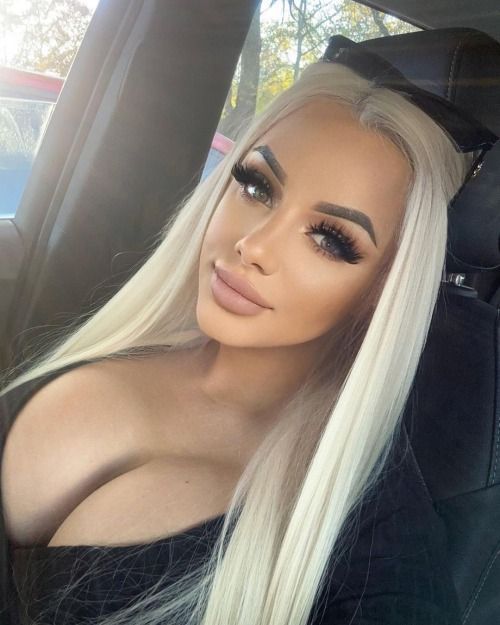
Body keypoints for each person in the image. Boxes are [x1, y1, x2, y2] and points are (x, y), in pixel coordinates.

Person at [0, 36, 495, 625]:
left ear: (384, 288)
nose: (253, 246)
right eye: (258, 187)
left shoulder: (371, 542)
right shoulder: (113, 331)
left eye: (330, 239)